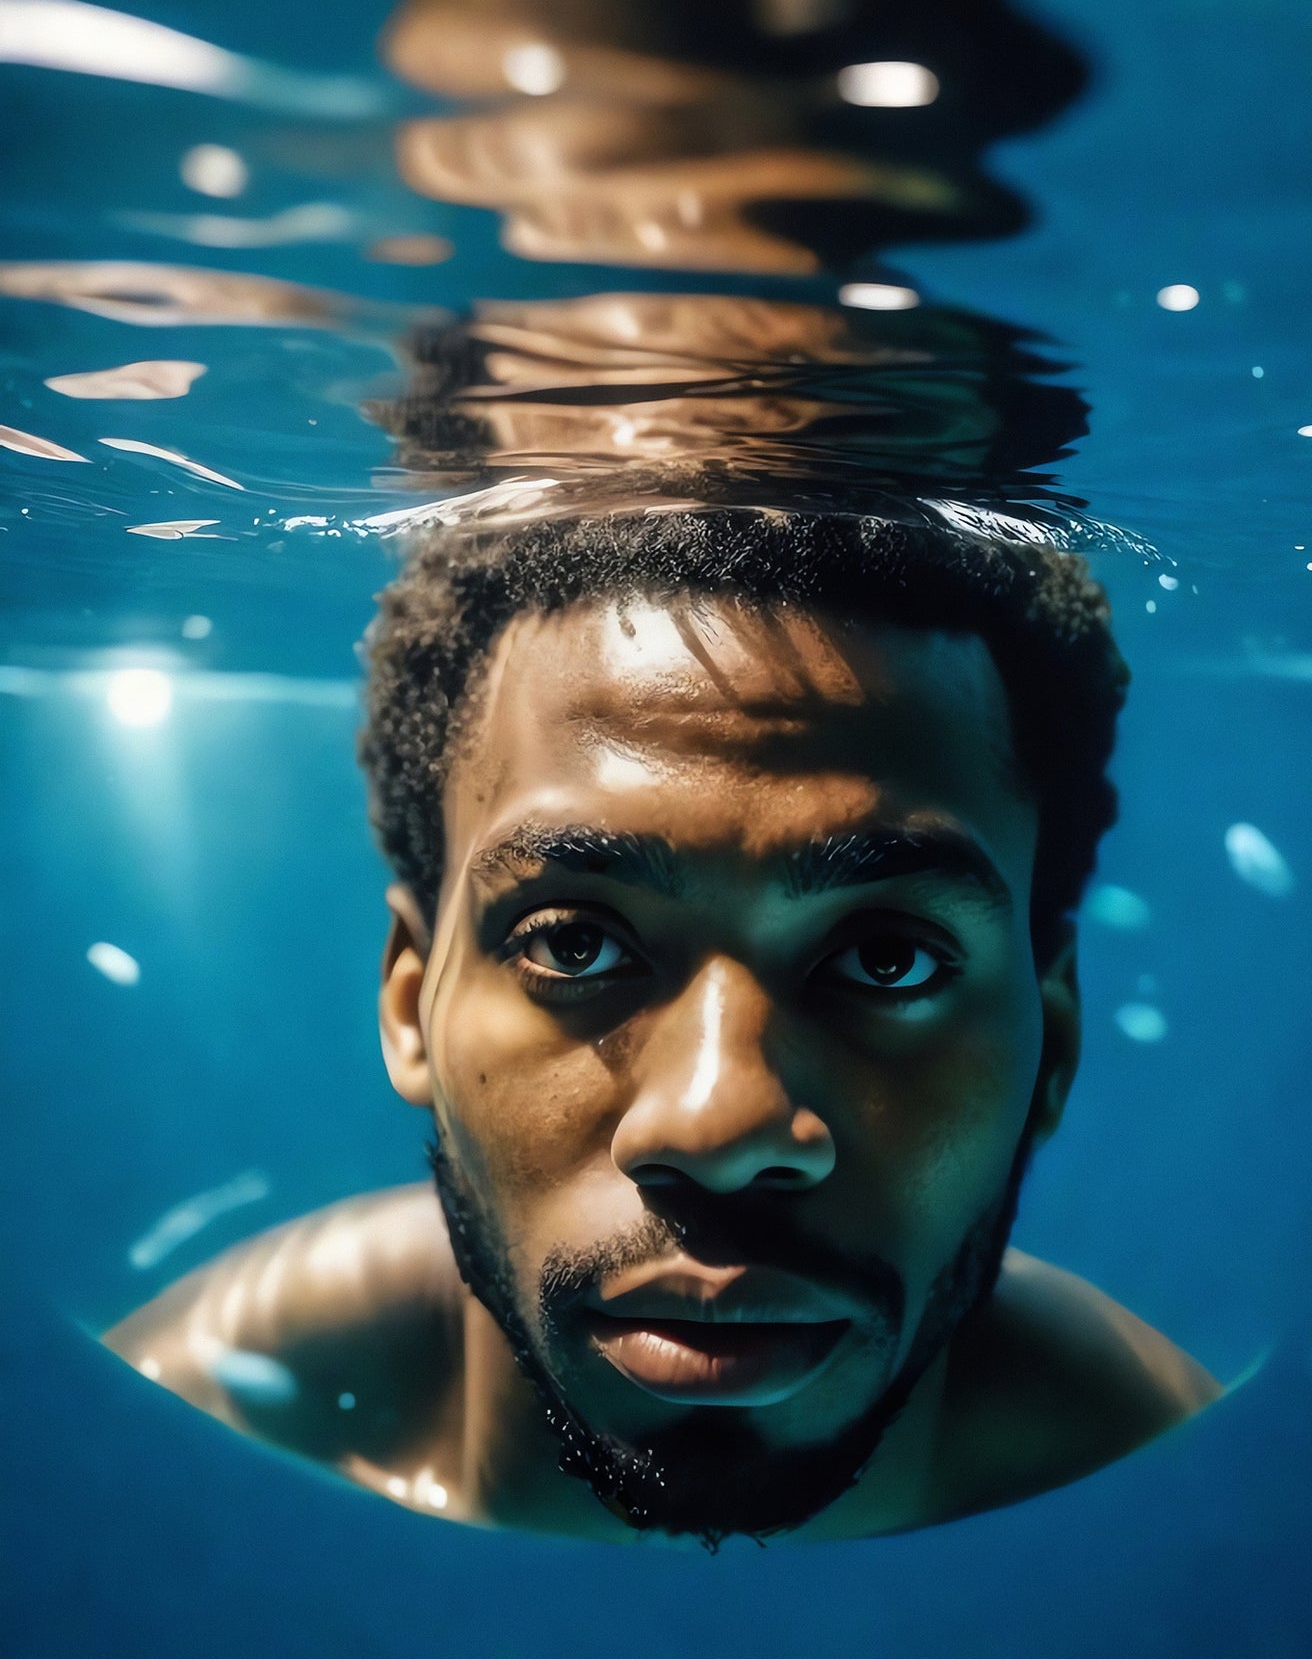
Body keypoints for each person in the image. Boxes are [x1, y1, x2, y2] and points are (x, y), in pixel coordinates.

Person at [107, 503, 1218, 1547]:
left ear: (1054, 1041)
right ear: (410, 1006)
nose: (718, 1127)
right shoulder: (146, 1450)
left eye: (886, 960)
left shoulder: (1204, 1505)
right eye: (574, 945)